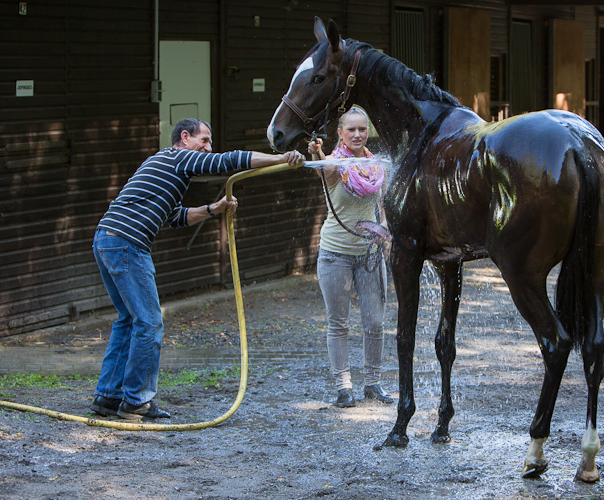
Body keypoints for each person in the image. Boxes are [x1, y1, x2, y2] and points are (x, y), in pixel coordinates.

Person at [90, 118, 304, 421]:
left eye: (210, 142)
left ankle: (108, 397)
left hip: (107, 239)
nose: (208, 147)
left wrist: (212, 210)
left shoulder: (165, 166)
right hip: (126, 243)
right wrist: (281, 158)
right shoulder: (177, 157)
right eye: (204, 140)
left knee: (129, 320)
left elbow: (175, 216)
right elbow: (228, 161)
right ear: (185, 137)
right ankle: (136, 401)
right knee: (149, 323)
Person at [307, 107, 393, 408]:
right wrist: (316, 152)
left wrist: (383, 228)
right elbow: (322, 170)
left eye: (362, 129)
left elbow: (379, 206)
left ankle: (373, 383)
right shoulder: (333, 164)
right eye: (351, 130)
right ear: (340, 133)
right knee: (338, 323)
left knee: (375, 322)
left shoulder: (374, 165)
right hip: (335, 255)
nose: (357, 134)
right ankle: (344, 387)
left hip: (370, 254)